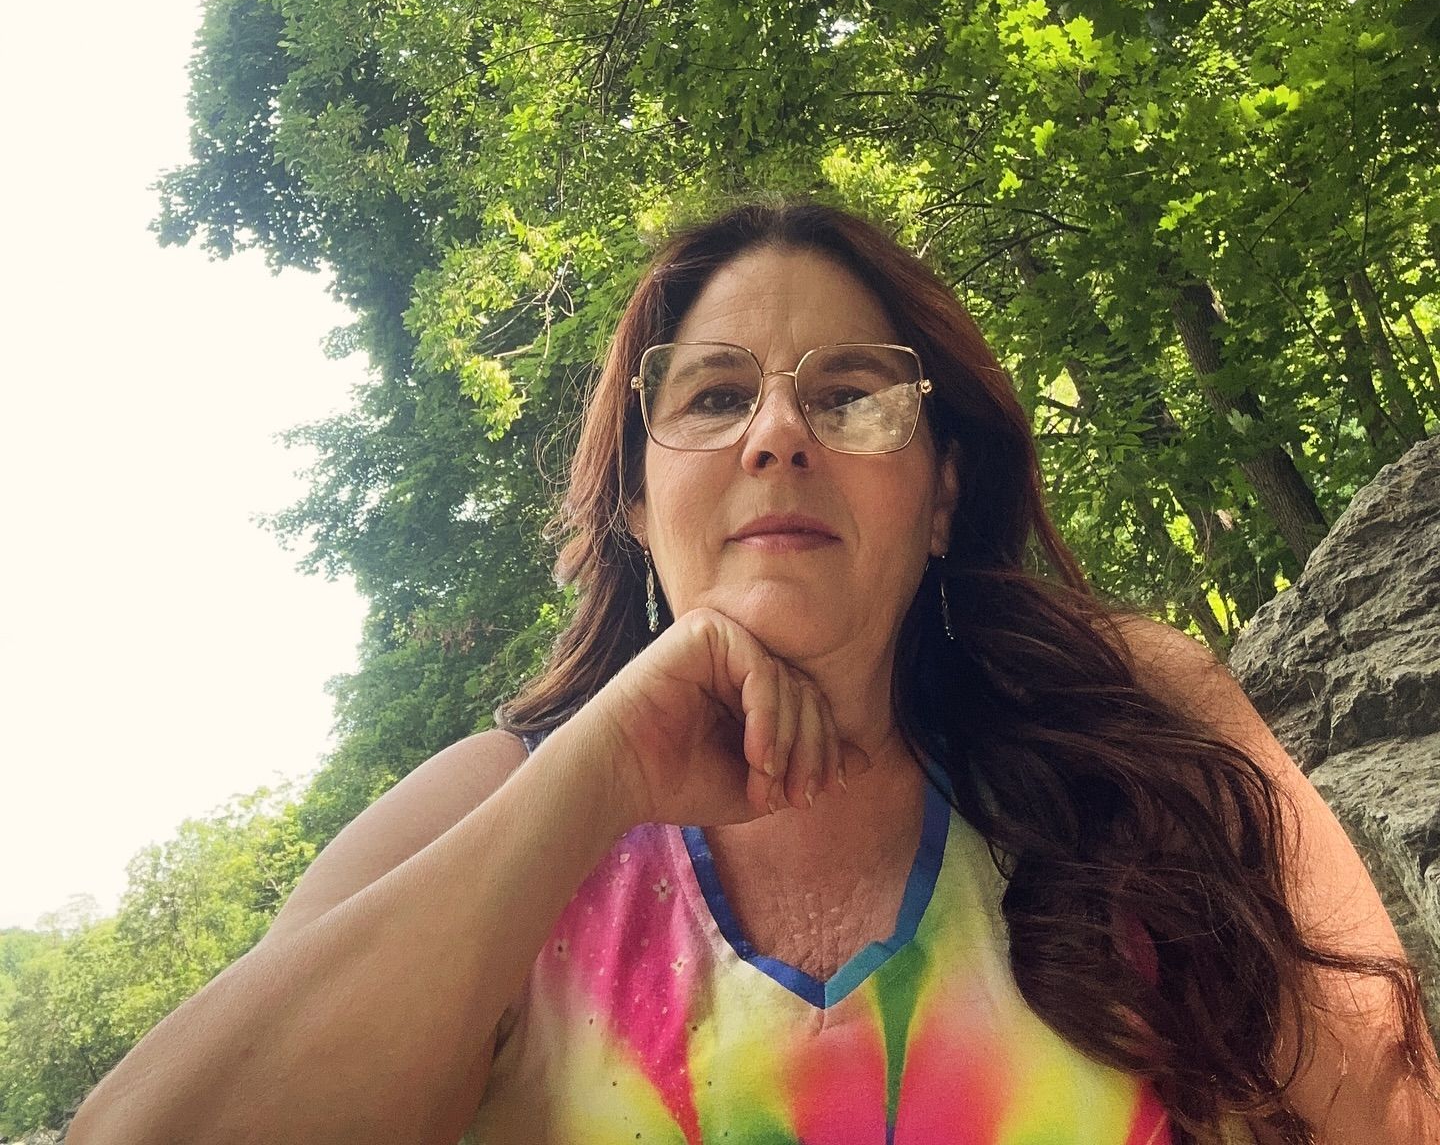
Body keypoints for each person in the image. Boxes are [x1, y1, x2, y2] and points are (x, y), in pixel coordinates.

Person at [69, 199, 1438, 1145]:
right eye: (715, 397)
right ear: (632, 502)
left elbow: (1386, 1106)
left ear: (944, 492)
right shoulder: (503, 807)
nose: (779, 434)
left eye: (849, 394)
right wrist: (599, 768)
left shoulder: (1127, 717)